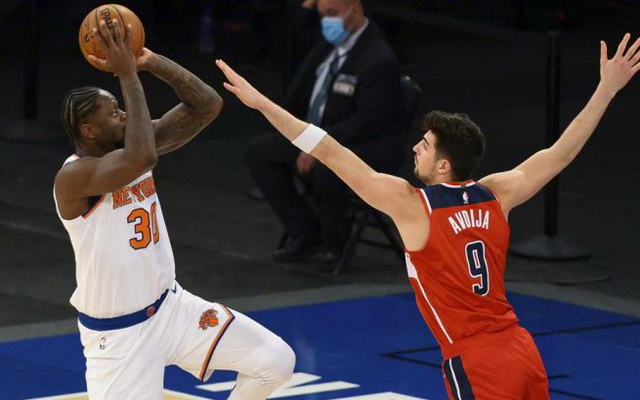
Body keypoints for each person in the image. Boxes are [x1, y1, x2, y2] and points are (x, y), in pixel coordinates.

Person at [216, 32, 640, 399]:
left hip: (475, 358)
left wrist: (262, 104)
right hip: (522, 349)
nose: (416, 147)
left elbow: (329, 150)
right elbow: (560, 153)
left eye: (426, 144)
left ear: (443, 165)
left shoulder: (413, 206)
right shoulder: (497, 193)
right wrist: (606, 89)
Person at [53, 19, 295, 400]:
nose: (122, 114)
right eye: (112, 112)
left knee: (275, 361)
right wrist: (126, 74)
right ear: (89, 131)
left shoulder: (133, 145)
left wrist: (149, 61)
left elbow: (207, 105)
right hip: (119, 337)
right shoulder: (75, 177)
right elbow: (141, 158)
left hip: (172, 309)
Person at [245, 0, 404, 264]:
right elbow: (294, 33)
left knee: (328, 169)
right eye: (322, 15)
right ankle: (305, 230)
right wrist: (309, 6)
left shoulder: (377, 58)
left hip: (361, 143)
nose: (326, 22)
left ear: (355, 9)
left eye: (332, 14)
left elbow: (367, 121)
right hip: (316, 135)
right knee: (260, 151)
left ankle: (334, 243)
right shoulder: (326, 44)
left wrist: (320, 146)